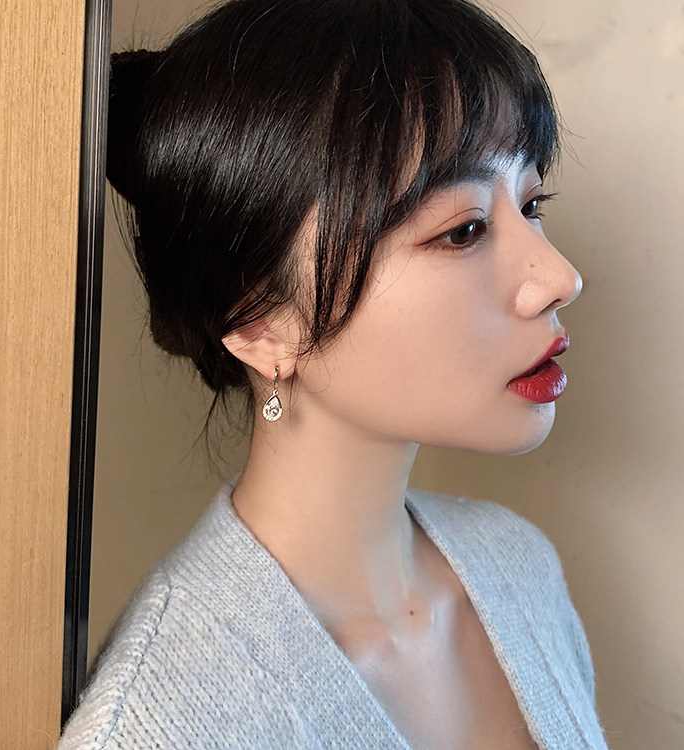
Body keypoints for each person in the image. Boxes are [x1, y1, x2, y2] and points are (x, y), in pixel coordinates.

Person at [59, 0, 609, 747]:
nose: (558, 278)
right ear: (260, 321)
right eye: (463, 230)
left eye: (532, 204)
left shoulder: (519, 567)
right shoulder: (160, 723)